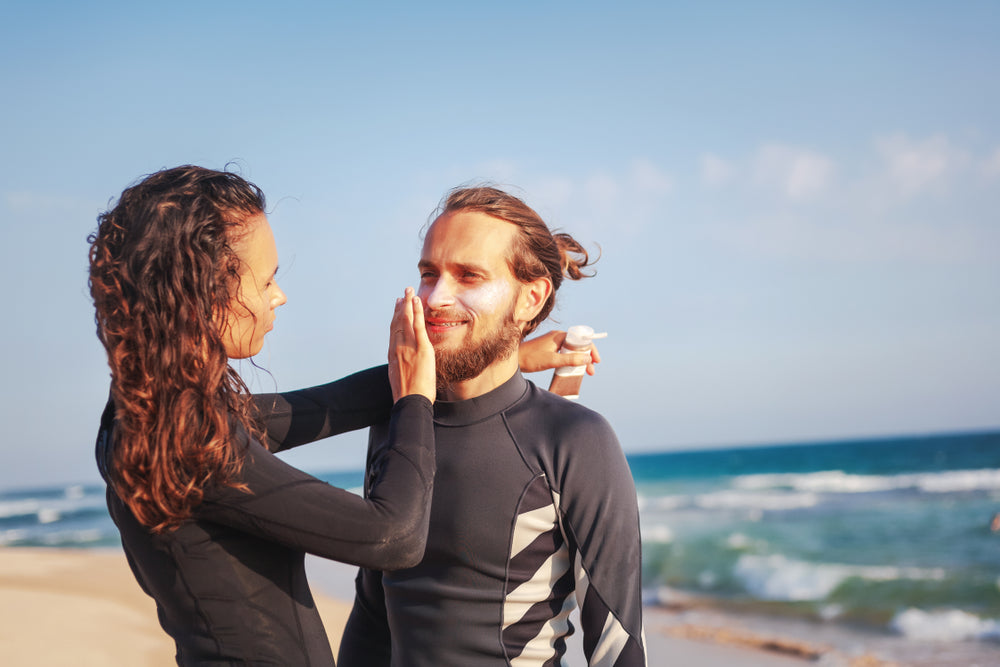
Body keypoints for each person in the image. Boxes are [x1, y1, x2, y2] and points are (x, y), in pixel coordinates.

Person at [88, 165, 438, 666]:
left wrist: (490, 361)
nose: (279, 296)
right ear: (205, 291)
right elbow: (393, 537)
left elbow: (324, 406)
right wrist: (415, 404)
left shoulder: (150, 415)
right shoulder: (185, 437)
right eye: (268, 279)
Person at [339, 186, 646, 666]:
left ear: (531, 298)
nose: (437, 297)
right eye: (428, 273)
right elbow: (371, 612)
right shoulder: (400, 420)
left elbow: (617, 643)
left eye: (468, 276)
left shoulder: (575, 440)